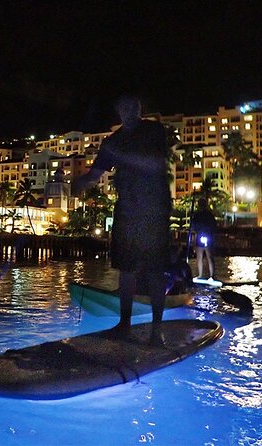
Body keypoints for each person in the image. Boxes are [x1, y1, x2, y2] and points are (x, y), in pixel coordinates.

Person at [73, 94, 176, 344]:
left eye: (134, 107)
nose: (129, 111)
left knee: (155, 270)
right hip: (127, 209)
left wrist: (120, 155)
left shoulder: (153, 131)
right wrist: (81, 182)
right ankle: (125, 324)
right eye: (125, 108)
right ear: (119, 111)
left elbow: (156, 160)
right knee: (126, 268)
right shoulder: (112, 142)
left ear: (140, 108)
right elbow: (96, 173)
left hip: (153, 208)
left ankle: (156, 330)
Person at [191, 198, 217, 280]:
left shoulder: (199, 215)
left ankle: (205, 275)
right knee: (207, 256)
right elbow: (214, 226)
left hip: (203, 236)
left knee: (203, 256)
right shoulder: (208, 214)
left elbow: (194, 227)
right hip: (206, 236)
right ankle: (208, 275)